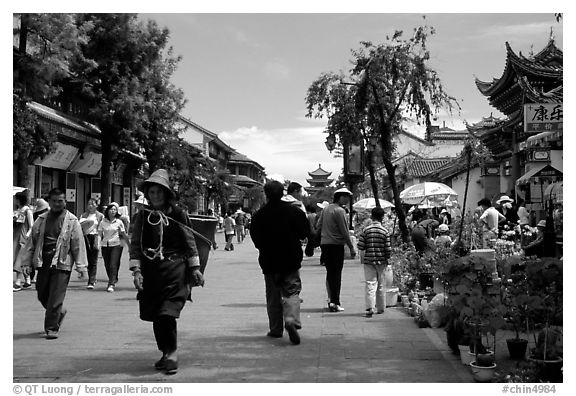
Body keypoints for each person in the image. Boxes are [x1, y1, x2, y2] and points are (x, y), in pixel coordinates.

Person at [129, 169, 203, 375]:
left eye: (159, 192)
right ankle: (165, 352)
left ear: (167, 194)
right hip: (151, 271)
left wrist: (195, 268)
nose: (156, 196)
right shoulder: (142, 217)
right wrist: (136, 271)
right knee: (155, 314)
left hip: (175, 269)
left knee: (166, 313)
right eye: (152, 192)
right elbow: (135, 245)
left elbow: (190, 242)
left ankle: (172, 354)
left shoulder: (179, 215)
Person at [18, 188, 87, 339]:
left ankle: (51, 328)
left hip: (62, 263)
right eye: (54, 201)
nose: (57, 204)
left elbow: (77, 244)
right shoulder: (41, 219)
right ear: (49, 202)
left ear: (65, 202)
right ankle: (58, 313)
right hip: (43, 262)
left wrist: (81, 267)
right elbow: (31, 242)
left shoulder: (72, 220)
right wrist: (26, 263)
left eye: (60, 201)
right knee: (42, 294)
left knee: (55, 297)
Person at [250, 180, 309, 344]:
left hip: (269, 261)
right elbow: (304, 232)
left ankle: (276, 329)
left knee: (273, 295)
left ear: (266, 194)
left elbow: (256, 241)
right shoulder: (294, 212)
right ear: (283, 192)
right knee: (292, 291)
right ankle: (291, 318)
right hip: (291, 259)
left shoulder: (259, 216)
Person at [316, 187, 356, 312]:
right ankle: (335, 301)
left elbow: (319, 225)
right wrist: (351, 247)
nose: (348, 200)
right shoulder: (340, 211)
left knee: (330, 273)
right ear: (341, 197)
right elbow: (344, 231)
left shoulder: (326, 209)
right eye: (346, 197)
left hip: (325, 244)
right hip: (336, 245)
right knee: (336, 274)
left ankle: (331, 299)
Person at [357, 207, 392, 317]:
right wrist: (388, 258)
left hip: (369, 261)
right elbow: (388, 249)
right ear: (382, 217)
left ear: (372, 217)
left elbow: (361, 246)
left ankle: (369, 307)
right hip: (381, 261)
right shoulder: (385, 231)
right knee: (381, 284)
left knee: (370, 284)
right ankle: (381, 307)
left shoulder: (366, 230)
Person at [98, 202, 129, 292]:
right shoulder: (103, 222)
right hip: (105, 245)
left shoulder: (119, 222)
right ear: (107, 211)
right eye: (111, 209)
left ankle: (111, 283)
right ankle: (113, 278)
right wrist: (98, 244)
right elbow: (99, 234)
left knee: (113, 264)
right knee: (107, 265)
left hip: (116, 244)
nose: (113, 211)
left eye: (115, 210)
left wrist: (129, 245)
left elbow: (123, 233)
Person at [79, 198, 104, 289]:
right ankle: (91, 277)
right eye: (89, 204)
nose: (90, 206)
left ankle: (91, 281)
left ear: (96, 206)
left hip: (95, 236)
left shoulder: (100, 216)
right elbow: (80, 226)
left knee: (93, 260)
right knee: (88, 259)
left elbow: (102, 228)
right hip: (86, 237)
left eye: (93, 204)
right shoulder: (84, 215)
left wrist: (100, 240)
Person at [13, 191, 35, 291]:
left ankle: (18, 282)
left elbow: (32, 226)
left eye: (15, 199)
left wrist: (27, 236)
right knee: (20, 259)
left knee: (20, 259)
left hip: (23, 238)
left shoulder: (27, 211)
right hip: (16, 237)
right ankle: (27, 281)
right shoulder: (17, 211)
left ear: (18, 199)